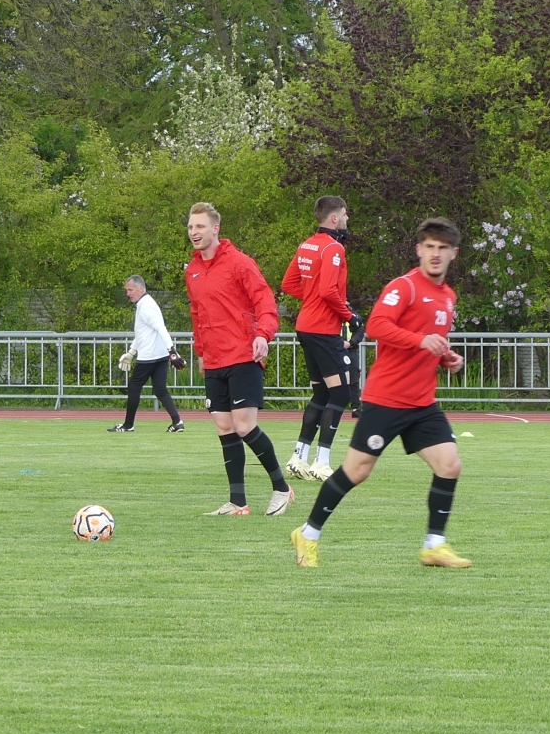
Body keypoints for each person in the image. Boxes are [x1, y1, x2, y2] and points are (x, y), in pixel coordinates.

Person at [291, 217, 471, 569]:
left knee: (449, 465)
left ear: (454, 254)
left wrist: (446, 357)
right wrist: (421, 341)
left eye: (442, 248)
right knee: (357, 471)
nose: (435, 254)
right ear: (418, 250)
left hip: (422, 403)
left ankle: (434, 545)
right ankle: (307, 534)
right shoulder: (404, 287)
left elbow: (428, 342)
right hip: (386, 399)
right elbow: (376, 326)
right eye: (429, 247)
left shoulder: (449, 297)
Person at [184, 202, 292, 517]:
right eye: (190, 227)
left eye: (200, 226)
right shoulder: (192, 270)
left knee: (244, 426)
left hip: (243, 354)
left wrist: (263, 335)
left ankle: (282, 488)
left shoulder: (240, 263)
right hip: (214, 359)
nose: (194, 232)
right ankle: (238, 502)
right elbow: (197, 313)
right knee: (224, 426)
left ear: (215, 229)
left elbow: (265, 302)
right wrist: (201, 351)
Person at [281, 195, 357, 482]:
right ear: (334, 218)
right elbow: (327, 291)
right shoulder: (333, 247)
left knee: (322, 394)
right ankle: (321, 462)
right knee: (341, 394)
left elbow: (289, 284)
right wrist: (349, 316)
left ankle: (298, 457)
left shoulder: (307, 244)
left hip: (306, 326)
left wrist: (312, 298)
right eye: (345, 214)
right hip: (324, 330)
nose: (347, 219)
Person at [109, 276, 185, 433]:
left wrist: (173, 351)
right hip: (160, 356)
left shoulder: (146, 307)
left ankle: (128, 425)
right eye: (127, 290)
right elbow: (143, 333)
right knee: (160, 389)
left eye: (130, 290)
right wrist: (131, 352)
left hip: (149, 356)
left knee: (134, 387)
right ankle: (177, 422)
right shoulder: (146, 304)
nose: (128, 294)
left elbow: (161, 329)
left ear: (141, 289)